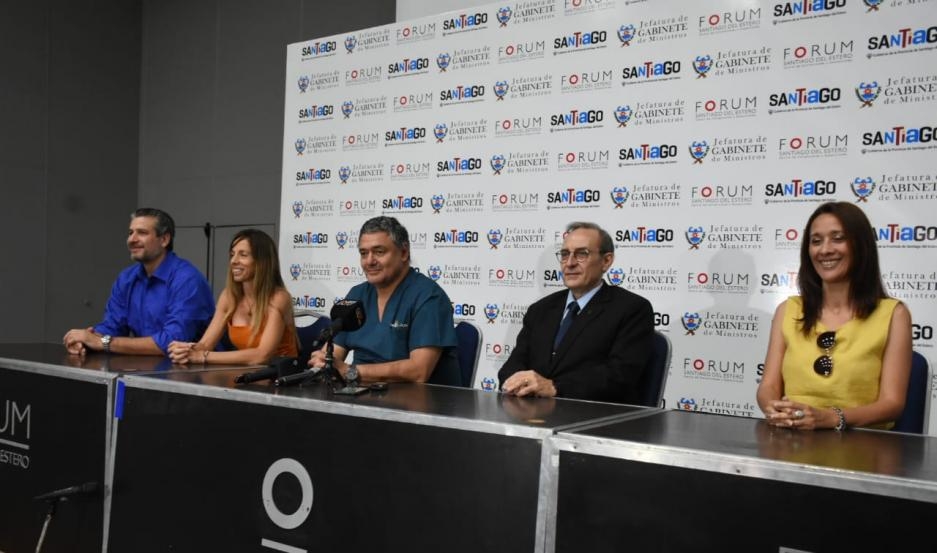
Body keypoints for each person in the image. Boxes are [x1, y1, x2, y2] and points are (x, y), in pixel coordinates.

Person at [757, 202, 912, 431]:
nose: (825, 250)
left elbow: (892, 404)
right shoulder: (787, 310)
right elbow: (768, 386)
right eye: (816, 241)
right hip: (792, 439)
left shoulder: (894, 314)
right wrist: (775, 408)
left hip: (861, 444)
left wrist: (832, 418)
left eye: (838, 239)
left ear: (860, 245)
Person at [498, 222, 654, 403]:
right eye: (565, 254)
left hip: (593, 415)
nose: (570, 263)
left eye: (582, 254)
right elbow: (512, 366)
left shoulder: (632, 309)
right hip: (531, 412)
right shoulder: (540, 309)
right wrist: (515, 382)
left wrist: (554, 387)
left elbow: (619, 376)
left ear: (606, 261)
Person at [309, 216, 460, 385]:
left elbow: (418, 371)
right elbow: (333, 353)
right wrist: (324, 362)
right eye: (364, 253)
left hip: (417, 398)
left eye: (379, 252)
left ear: (404, 253)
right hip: (360, 394)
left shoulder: (429, 297)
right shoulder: (357, 294)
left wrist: (350, 371)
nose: (369, 261)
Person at [63, 208, 214, 356]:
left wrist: (102, 342)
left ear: (164, 239)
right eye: (130, 233)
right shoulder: (126, 278)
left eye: (142, 233)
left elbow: (173, 341)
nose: (132, 239)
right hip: (149, 368)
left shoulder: (187, 279)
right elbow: (112, 326)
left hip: (196, 369)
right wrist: (85, 340)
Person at [167, 229, 298, 365]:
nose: (234, 261)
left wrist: (203, 356)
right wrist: (186, 350)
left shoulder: (279, 298)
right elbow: (205, 345)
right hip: (246, 373)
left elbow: (262, 356)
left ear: (262, 261)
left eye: (243, 255)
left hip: (281, 374)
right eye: (232, 254)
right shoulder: (229, 297)